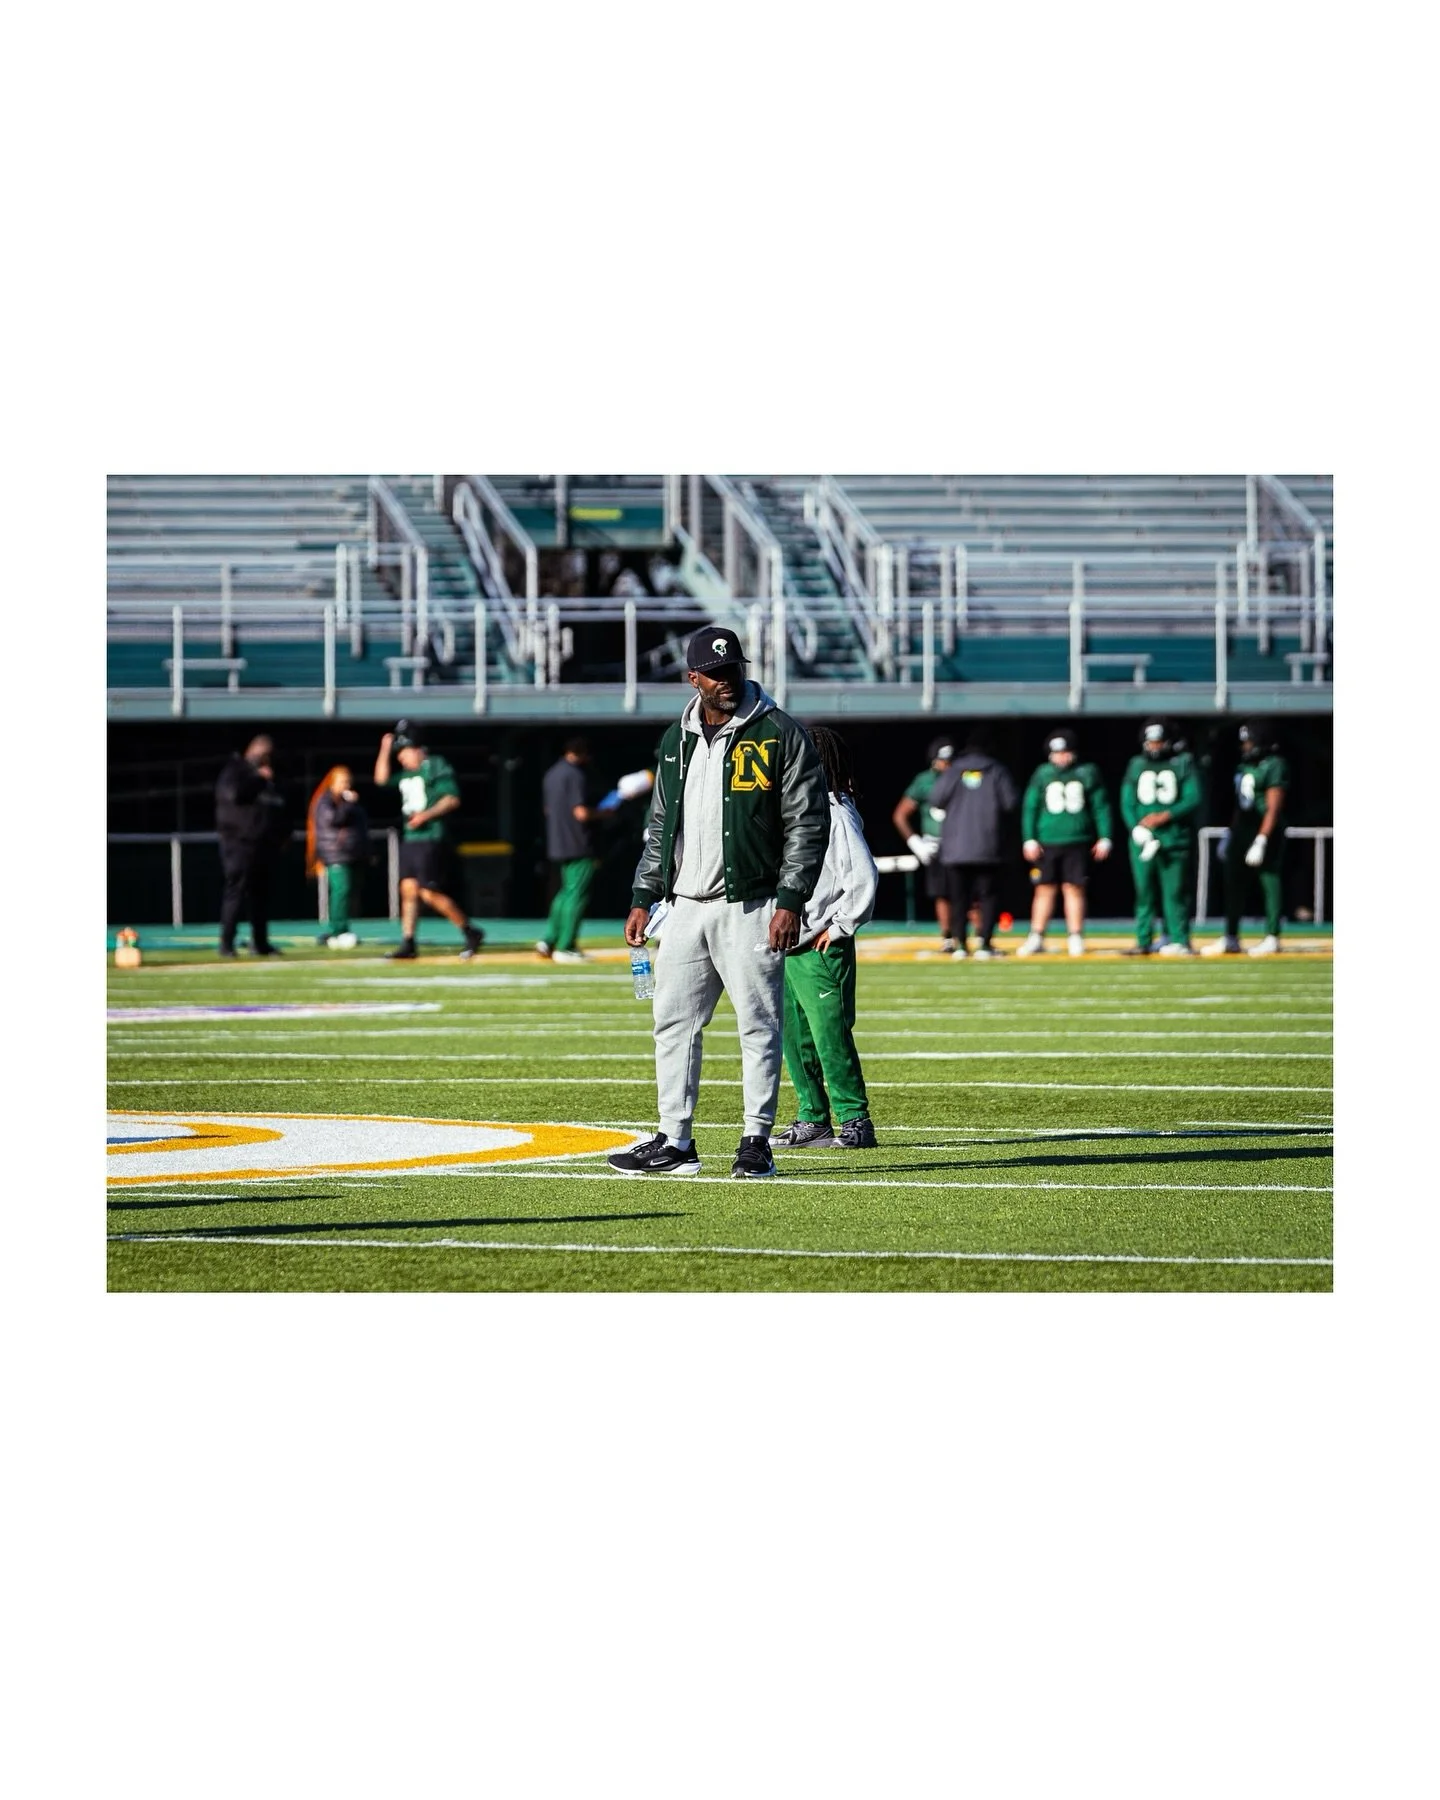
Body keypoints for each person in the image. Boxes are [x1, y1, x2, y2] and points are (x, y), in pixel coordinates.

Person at [607, 623, 830, 1180]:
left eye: (733, 670)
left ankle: (756, 1140)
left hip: (752, 902)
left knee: (758, 1024)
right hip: (684, 904)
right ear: (694, 678)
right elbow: (660, 825)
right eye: (715, 673)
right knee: (672, 1022)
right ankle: (675, 1140)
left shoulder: (780, 732)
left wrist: (791, 899)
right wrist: (644, 894)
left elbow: (806, 822)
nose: (726, 681)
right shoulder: (675, 739)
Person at [773, 726, 880, 1151]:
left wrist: (839, 926)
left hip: (820, 944)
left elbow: (862, 875)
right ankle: (812, 1117)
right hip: (786, 943)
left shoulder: (835, 810)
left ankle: (855, 1120)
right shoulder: (792, 808)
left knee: (829, 1035)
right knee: (793, 1038)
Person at [373, 721, 485, 961]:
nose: (401, 758)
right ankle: (408, 941)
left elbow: (451, 799)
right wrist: (384, 749)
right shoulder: (406, 774)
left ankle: (470, 930)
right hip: (411, 838)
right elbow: (381, 780)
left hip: (429, 837)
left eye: (404, 753)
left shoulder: (434, 765)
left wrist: (426, 815)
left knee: (427, 892)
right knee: (408, 889)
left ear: (417, 750)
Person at [1016, 728, 1114, 957]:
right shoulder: (1043, 774)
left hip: (1076, 839)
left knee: (1074, 888)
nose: (1062, 757)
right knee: (1044, 889)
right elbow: (1030, 807)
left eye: (1065, 752)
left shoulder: (1087, 772)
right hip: (1047, 840)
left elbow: (1101, 806)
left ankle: (1075, 935)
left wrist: (1105, 836)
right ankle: (1037, 935)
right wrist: (1029, 838)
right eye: (1057, 753)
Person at [926, 726, 1019, 959]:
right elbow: (1010, 802)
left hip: (955, 848)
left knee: (959, 898)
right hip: (988, 846)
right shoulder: (997, 770)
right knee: (987, 897)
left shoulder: (954, 771)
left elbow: (935, 799)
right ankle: (985, 943)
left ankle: (960, 944)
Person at [1203, 718, 1289, 957]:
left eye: (1249, 742)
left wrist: (1262, 839)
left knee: (1269, 882)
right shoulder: (1244, 766)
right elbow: (1241, 806)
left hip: (1264, 830)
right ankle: (1231, 936)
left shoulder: (1275, 765)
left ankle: (1272, 936)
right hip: (1242, 830)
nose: (1246, 747)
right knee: (1233, 884)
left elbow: (1273, 807)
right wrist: (1231, 833)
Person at [1119, 718, 1203, 956]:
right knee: (1144, 892)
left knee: (1175, 892)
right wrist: (1135, 827)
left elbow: (1193, 797)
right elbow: (1127, 800)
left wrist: (1166, 815)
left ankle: (1179, 938)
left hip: (1173, 838)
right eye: (1151, 742)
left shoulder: (1182, 762)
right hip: (1143, 839)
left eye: (1159, 742)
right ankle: (1144, 939)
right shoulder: (1136, 764)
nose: (1155, 747)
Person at [215, 734, 289, 958]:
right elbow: (235, 795)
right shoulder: (236, 770)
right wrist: (258, 779)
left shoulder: (271, 777)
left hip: (265, 844)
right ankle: (227, 943)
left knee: (261, 895)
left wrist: (283, 834)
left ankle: (260, 943)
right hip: (239, 843)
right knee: (236, 892)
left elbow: (280, 807)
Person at [537, 737, 605, 965]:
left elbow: (548, 809)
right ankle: (566, 945)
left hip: (558, 841)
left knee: (565, 892)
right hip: (578, 842)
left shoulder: (551, 774)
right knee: (576, 894)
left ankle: (548, 939)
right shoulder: (575, 775)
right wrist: (605, 813)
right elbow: (581, 813)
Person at [892, 736, 956, 951]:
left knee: (970, 893)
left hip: (961, 843)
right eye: (943, 761)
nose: (947, 766)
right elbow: (900, 814)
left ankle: (978, 937)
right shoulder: (924, 781)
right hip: (935, 844)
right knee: (942, 893)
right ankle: (948, 937)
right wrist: (916, 843)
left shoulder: (962, 778)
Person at [306, 764, 369, 949]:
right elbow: (335, 819)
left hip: (350, 854)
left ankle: (340, 929)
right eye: (342, 781)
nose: (345, 785)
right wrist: (349, 804)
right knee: (341, 890)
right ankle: (337, 930)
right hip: (335, 853)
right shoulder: (325, 801)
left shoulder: (348, 803)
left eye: (348, 782)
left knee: (348, 892)